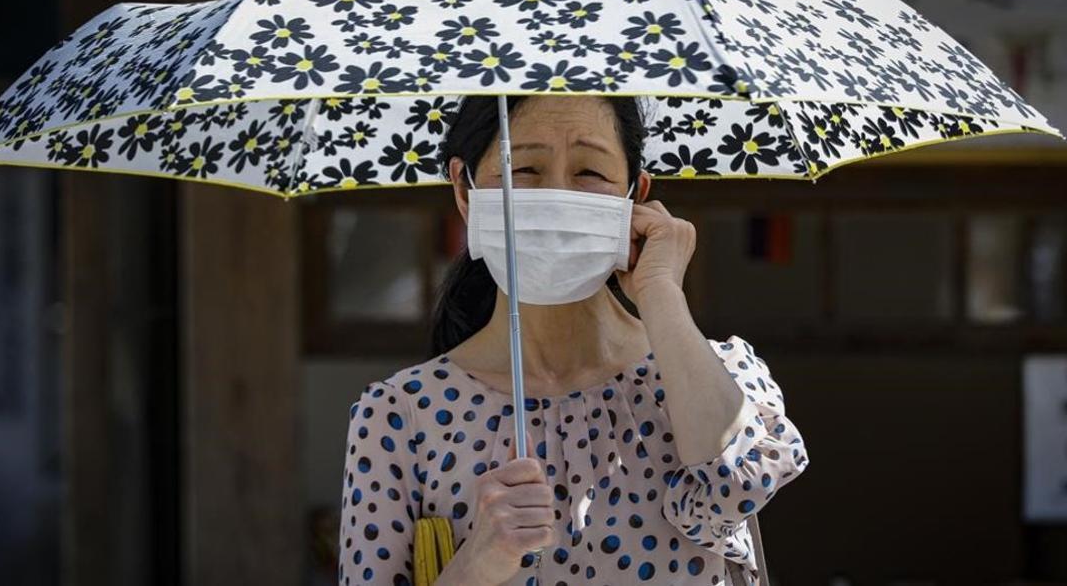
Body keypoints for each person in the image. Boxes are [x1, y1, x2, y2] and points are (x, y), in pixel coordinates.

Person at [337, 94, 810, 585]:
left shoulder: (718, 371)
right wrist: (477, 565)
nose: (558, 192)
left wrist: (661, 292)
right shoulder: (400, 416)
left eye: (590, 173)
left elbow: (736, 485)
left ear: (635, 195)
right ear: (464, 188)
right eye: (523, 170)